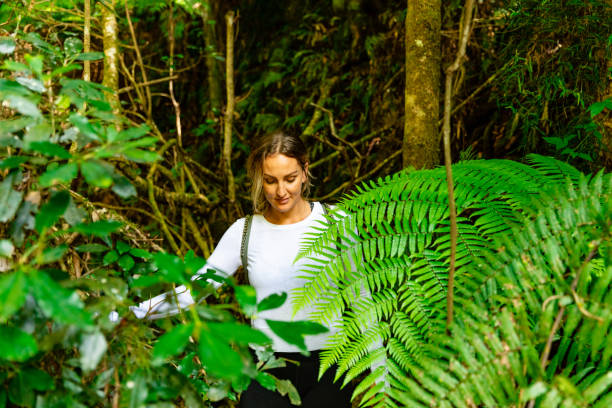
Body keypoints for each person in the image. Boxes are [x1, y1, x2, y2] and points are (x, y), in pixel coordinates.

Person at [126, 131, 355, 408]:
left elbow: (364, 300)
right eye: (270, 181)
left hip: (331, 368)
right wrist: (124, 316)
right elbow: (192, 292)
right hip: (266, 368)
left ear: (305, 172)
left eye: (290, 179)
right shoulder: (245, 232)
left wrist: (381, 380)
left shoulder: (338, 222)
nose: (281, 191)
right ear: (259, 178)